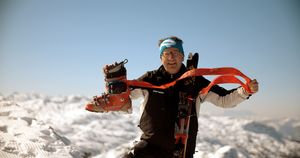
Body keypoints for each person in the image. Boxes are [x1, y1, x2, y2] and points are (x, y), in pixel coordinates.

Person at [121, 36, 259, 158]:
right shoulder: (150, 79)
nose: (171, 57)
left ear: (182, 56)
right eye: (166, 53)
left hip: (182, 151)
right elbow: (124, 97)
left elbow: (224, 99)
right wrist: (111, 85)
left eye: (176, 52)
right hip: (150, 149)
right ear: (160, 57)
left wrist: (245, 91)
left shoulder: (195, 82)